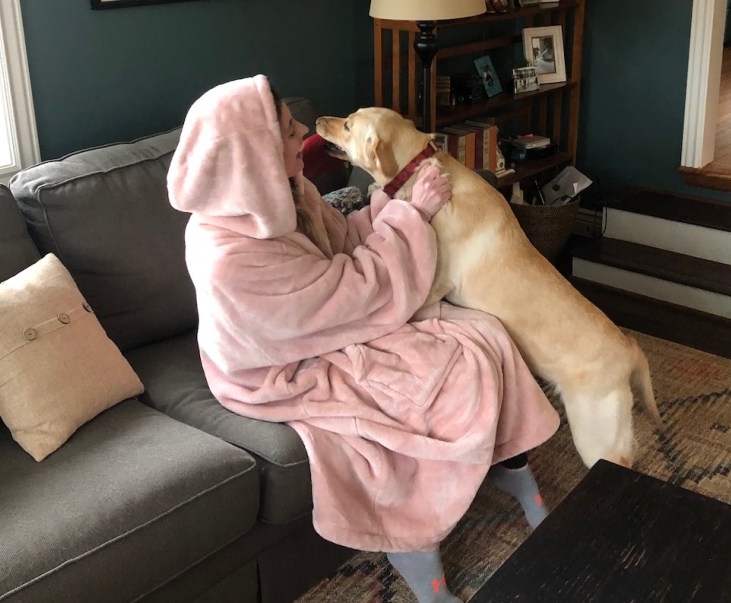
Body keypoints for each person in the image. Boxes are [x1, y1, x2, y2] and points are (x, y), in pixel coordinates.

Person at [167, 75, 560, 603]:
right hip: (282, 369)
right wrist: (411, 215)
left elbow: (345, 239)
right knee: (436, 376)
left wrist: (391, 203)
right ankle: (424, 565)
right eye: (288, 131)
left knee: (484, 329)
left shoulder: (282, 193)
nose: (304, 130)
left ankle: (508, 464)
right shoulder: (230, 256)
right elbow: (350, 292)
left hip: (325, 328)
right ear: (254, 155)